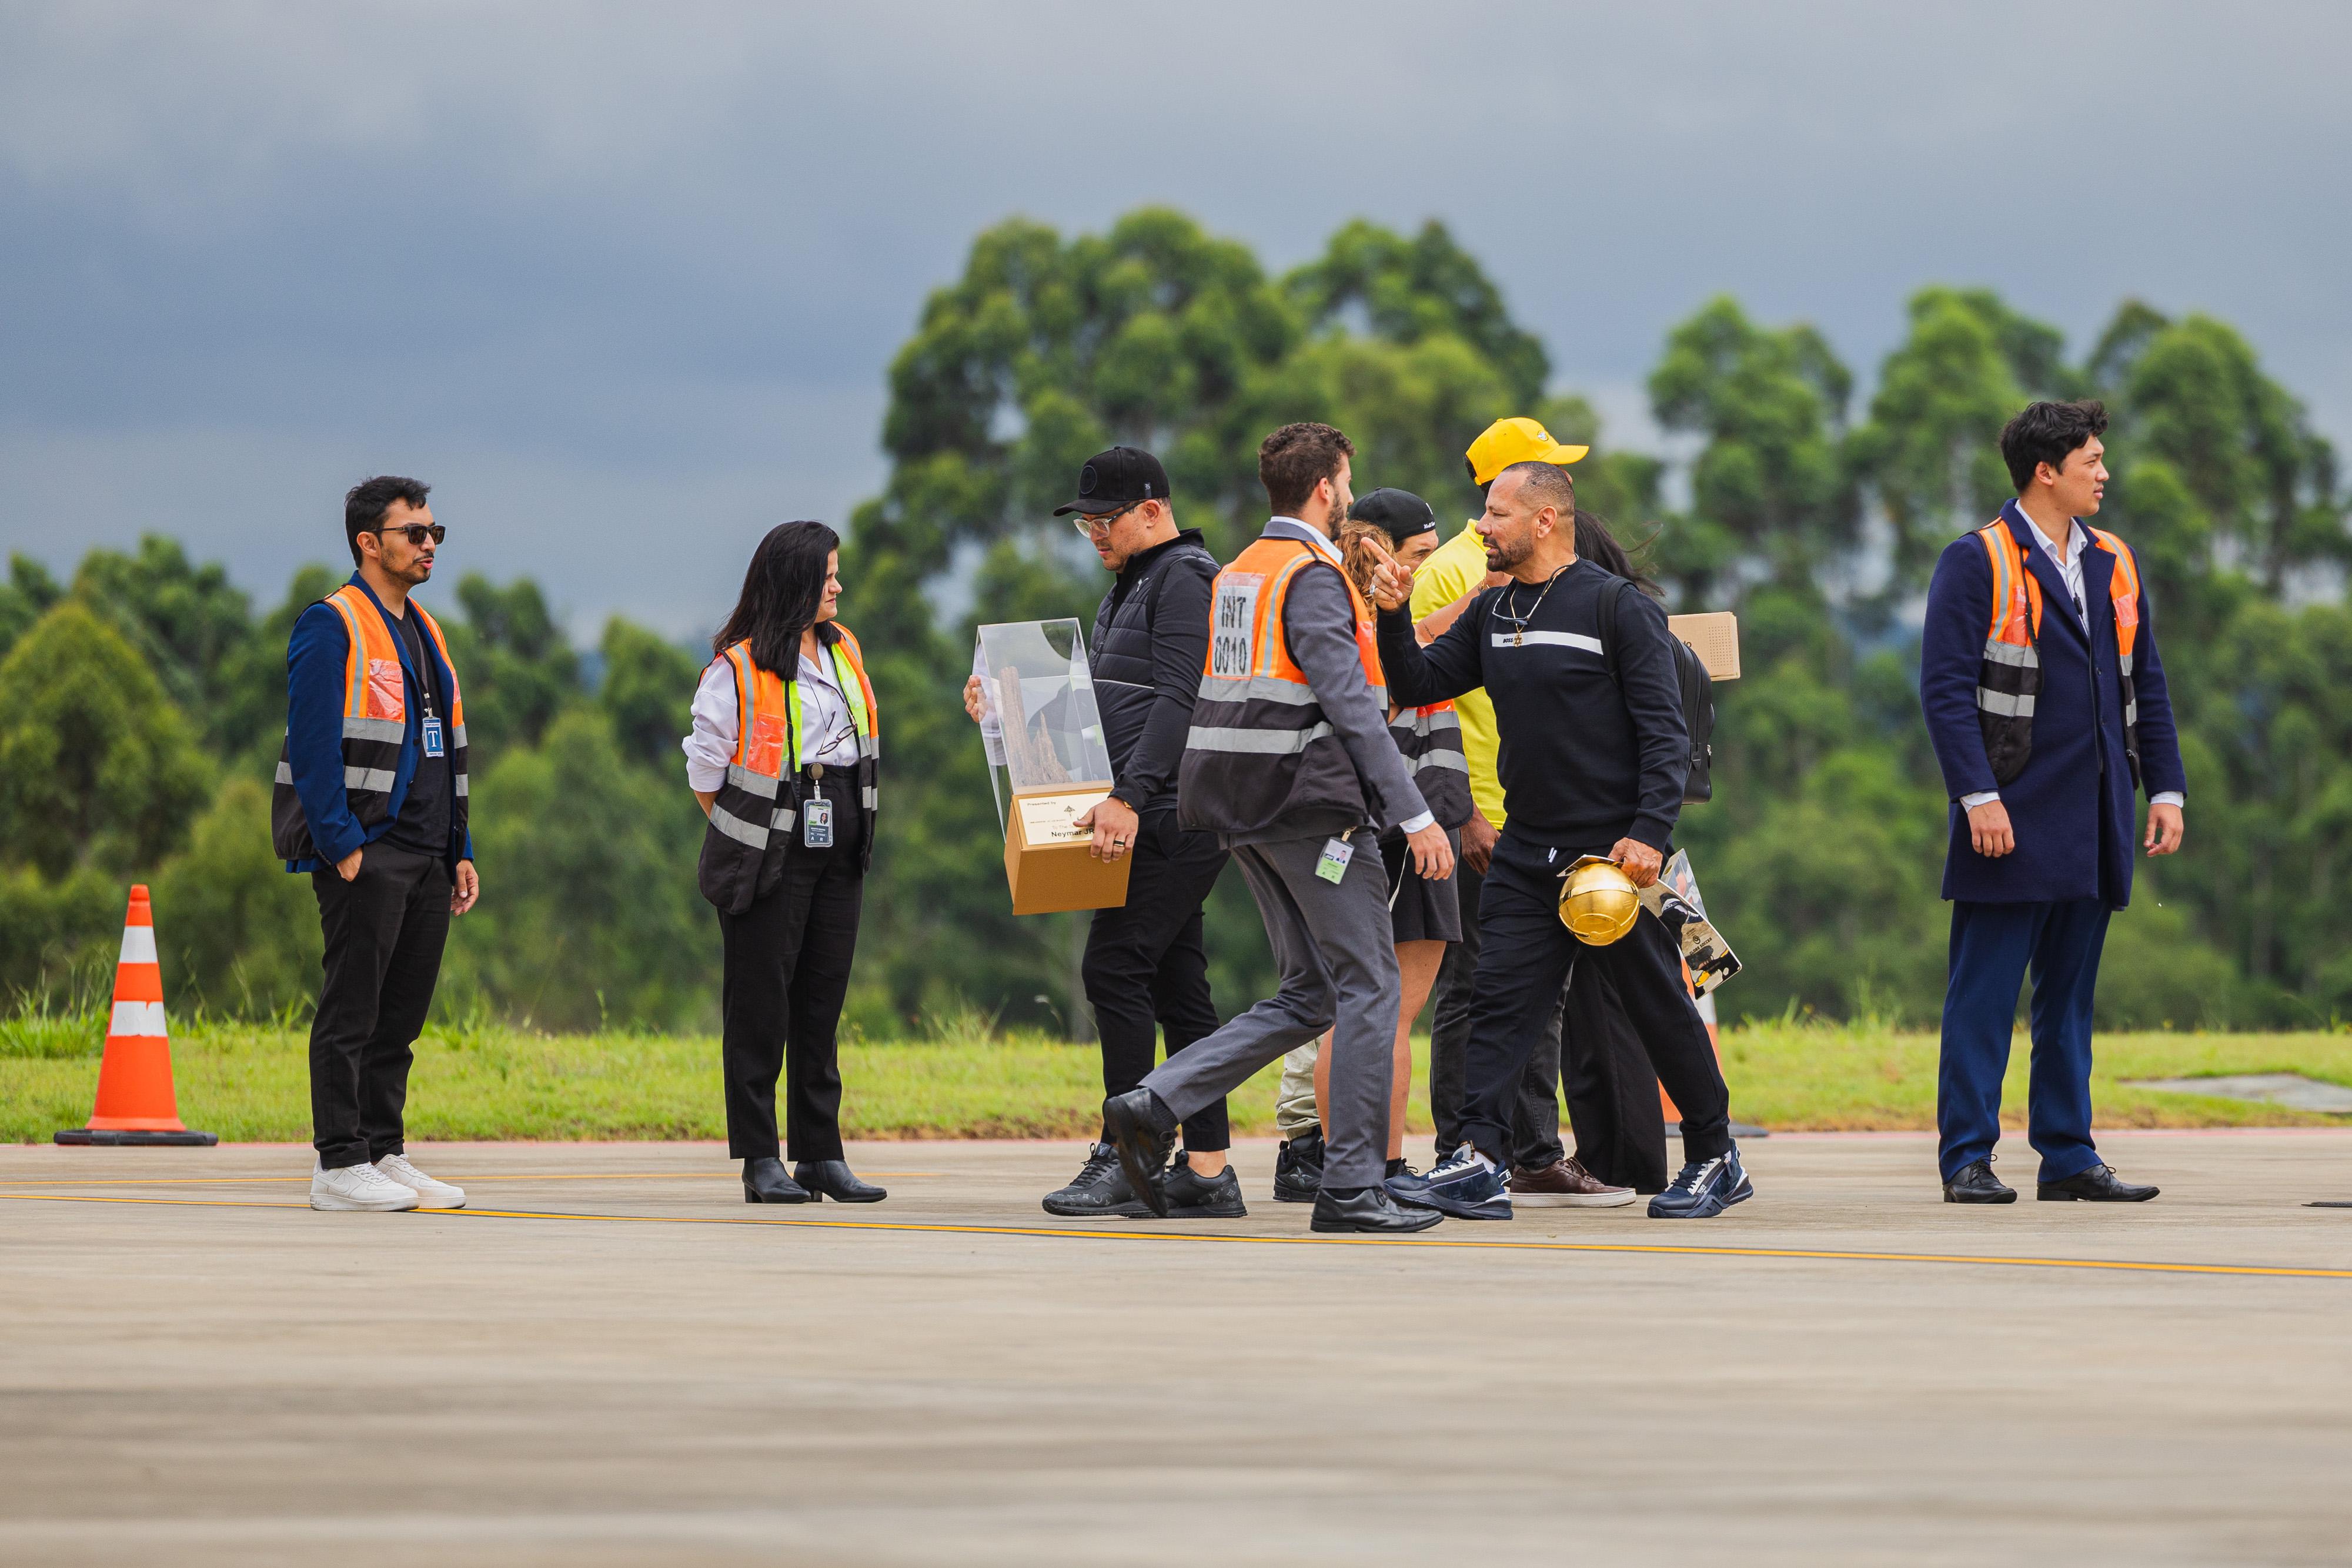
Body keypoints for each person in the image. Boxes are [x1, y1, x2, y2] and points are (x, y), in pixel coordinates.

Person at [1373, 459, 1748, 1221]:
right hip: (1526, 851)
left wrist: (1649, 834)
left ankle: (1715, 1154)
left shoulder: (1616, 607)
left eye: (1497, 514)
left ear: (1546, 520)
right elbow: (1414, 682)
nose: (1481, 526)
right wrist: (1391, 612)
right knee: (1501, 1005)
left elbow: (1665, 732)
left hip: (1613, 860)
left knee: (1657, 1008)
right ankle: (1478, 1158)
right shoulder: (1492, 610)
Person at [1100, 422, 1451, 1235]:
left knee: (1311, 993)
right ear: (1326, 487)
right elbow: (1354, 709)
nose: (1352, 497)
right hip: (1311, 811)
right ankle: (1354, 1185)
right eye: (1349, 483)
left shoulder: (1240, 570)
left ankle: (1155, 1100)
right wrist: (1417, 813)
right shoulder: (1313, 575)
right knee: (1371, 982)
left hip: (1238, 810)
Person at [960, 446, 1238, 1219]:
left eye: (1105, 518)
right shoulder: (1131, 586)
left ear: (1153, 508)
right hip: (1150, 811)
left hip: (1168, 814)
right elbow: (1099, 709)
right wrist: (1007, 704)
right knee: (1179, 986)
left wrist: (1126, 796)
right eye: (1085, 521)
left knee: (1114, 966)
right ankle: (1209, 1170)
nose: (1094, 532)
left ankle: (1130, 1154)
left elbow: (1182, 700)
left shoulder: (1184, 580)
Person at [1919, 400, 2186, 1203]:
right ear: (2047, 471)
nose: (2104, 474)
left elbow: (2148, 683)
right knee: (1986, 995)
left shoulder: (2114, 560)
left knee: (2068, 998)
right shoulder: (1978, 559)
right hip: (2009, 813)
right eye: (2091, 461)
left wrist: (2165, 785)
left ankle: (2068, 1154)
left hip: (2097, 811)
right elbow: (1944, 690)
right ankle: (1967, 1155)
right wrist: (1977, 797)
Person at [1414, 418, 1642, 1208]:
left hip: (1554, 819)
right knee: (1485, 990)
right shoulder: (1461, 575)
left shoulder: (1563, 581)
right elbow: (1432, 696)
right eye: (1545, 468)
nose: (1562, 481)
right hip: (1493, 815)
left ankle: (1522, 1148)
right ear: (1504, 488)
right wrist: (1467, 811)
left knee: (1533, 992)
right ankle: (1472, 1146)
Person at [274, 475, 480, 1213]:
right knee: (352, 1010)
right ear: (370, 542)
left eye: (435, 533)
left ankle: (384, 1150)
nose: (429, 545)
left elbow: (445, 747)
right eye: (414, 533)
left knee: (400, 1018)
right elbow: (316, 745)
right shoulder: (331, 624)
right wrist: (341, 845)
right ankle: (337, 1162)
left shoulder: (425, 630)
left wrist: (461, 848)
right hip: (368, 849)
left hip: (428, 852)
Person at [1267, 488, 1471, 1198]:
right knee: (1385, 1010)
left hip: (1389, 820)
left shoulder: (1349, 606)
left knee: (1364, 1004)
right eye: (1417, 554)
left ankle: (1343, 1160)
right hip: (1407, 821)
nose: (1426, 566)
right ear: (1383, 551)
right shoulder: (1364, 615)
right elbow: (1384, 690)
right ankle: (1371, 1167)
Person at [686, 521, 887, 1206]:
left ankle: (820, 1155)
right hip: (769, 846)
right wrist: (752, 832)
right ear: (793, 582)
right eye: (827, 574)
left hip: (843, 838)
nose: (838, 585)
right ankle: (759, 1160)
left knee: (821, 1002)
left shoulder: (844, 648)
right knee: (759, 1007)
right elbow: (705, 772)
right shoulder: (737, 666)